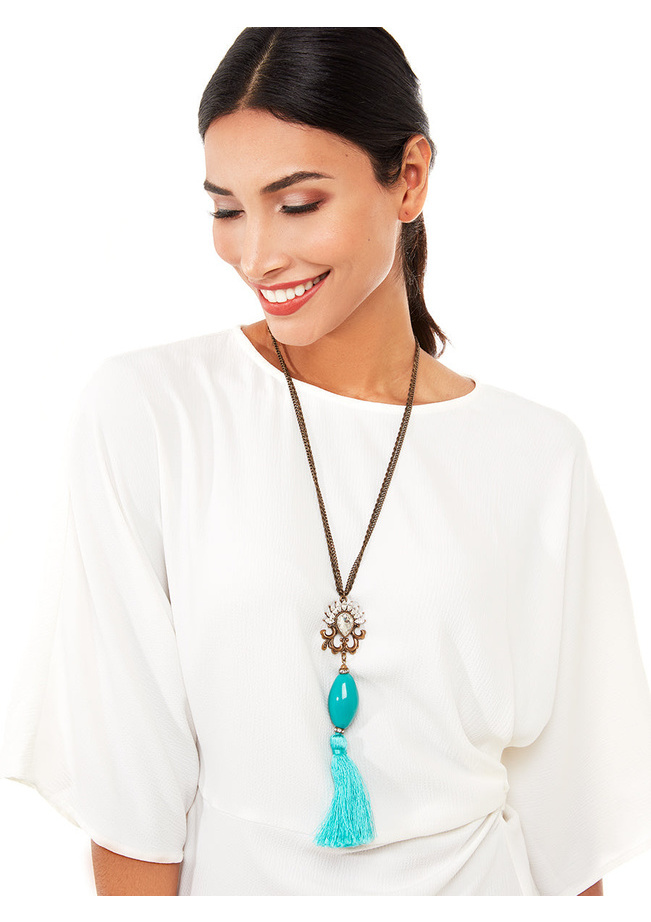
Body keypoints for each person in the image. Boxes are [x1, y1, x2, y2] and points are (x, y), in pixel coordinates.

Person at [1, 26, 650, 897]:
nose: (257, 255)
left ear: (408, 179)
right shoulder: (152, 413)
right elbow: (131, 789)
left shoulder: (538, 454)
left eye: (298, 203)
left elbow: (567, 827)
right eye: (227, 210)